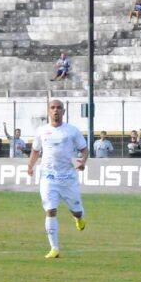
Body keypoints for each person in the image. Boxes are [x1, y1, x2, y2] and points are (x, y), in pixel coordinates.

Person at [28, 100, 88, 259]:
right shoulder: (41, 131)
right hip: (48, 177)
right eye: (52, 108)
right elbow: (35, 150)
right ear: (48, 111)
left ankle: (79, 218)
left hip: (68, 177)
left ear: (64, 111)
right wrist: (30, 166)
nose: (56, 111)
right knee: (50, 210)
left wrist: (83, 161)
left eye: (59, 108)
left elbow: (84, 149)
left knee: (75, 209)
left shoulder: (72, 131)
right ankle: (54, 248)